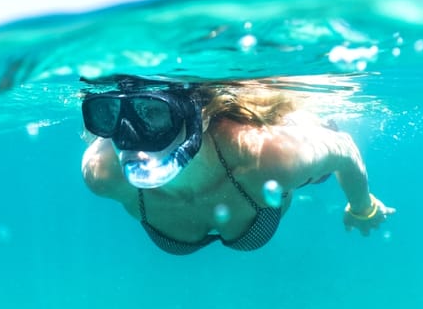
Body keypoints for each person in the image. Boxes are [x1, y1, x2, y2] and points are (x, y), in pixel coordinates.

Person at [80, 76, 395, 254]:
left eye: (154, 113)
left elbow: (345, 149)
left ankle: (313, 124)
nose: (129, 137)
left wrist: (361, 207)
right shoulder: (103, 174)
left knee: (316, 166)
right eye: (107, 116)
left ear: (200, 116)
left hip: (266, 158)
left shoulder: (268, 157)